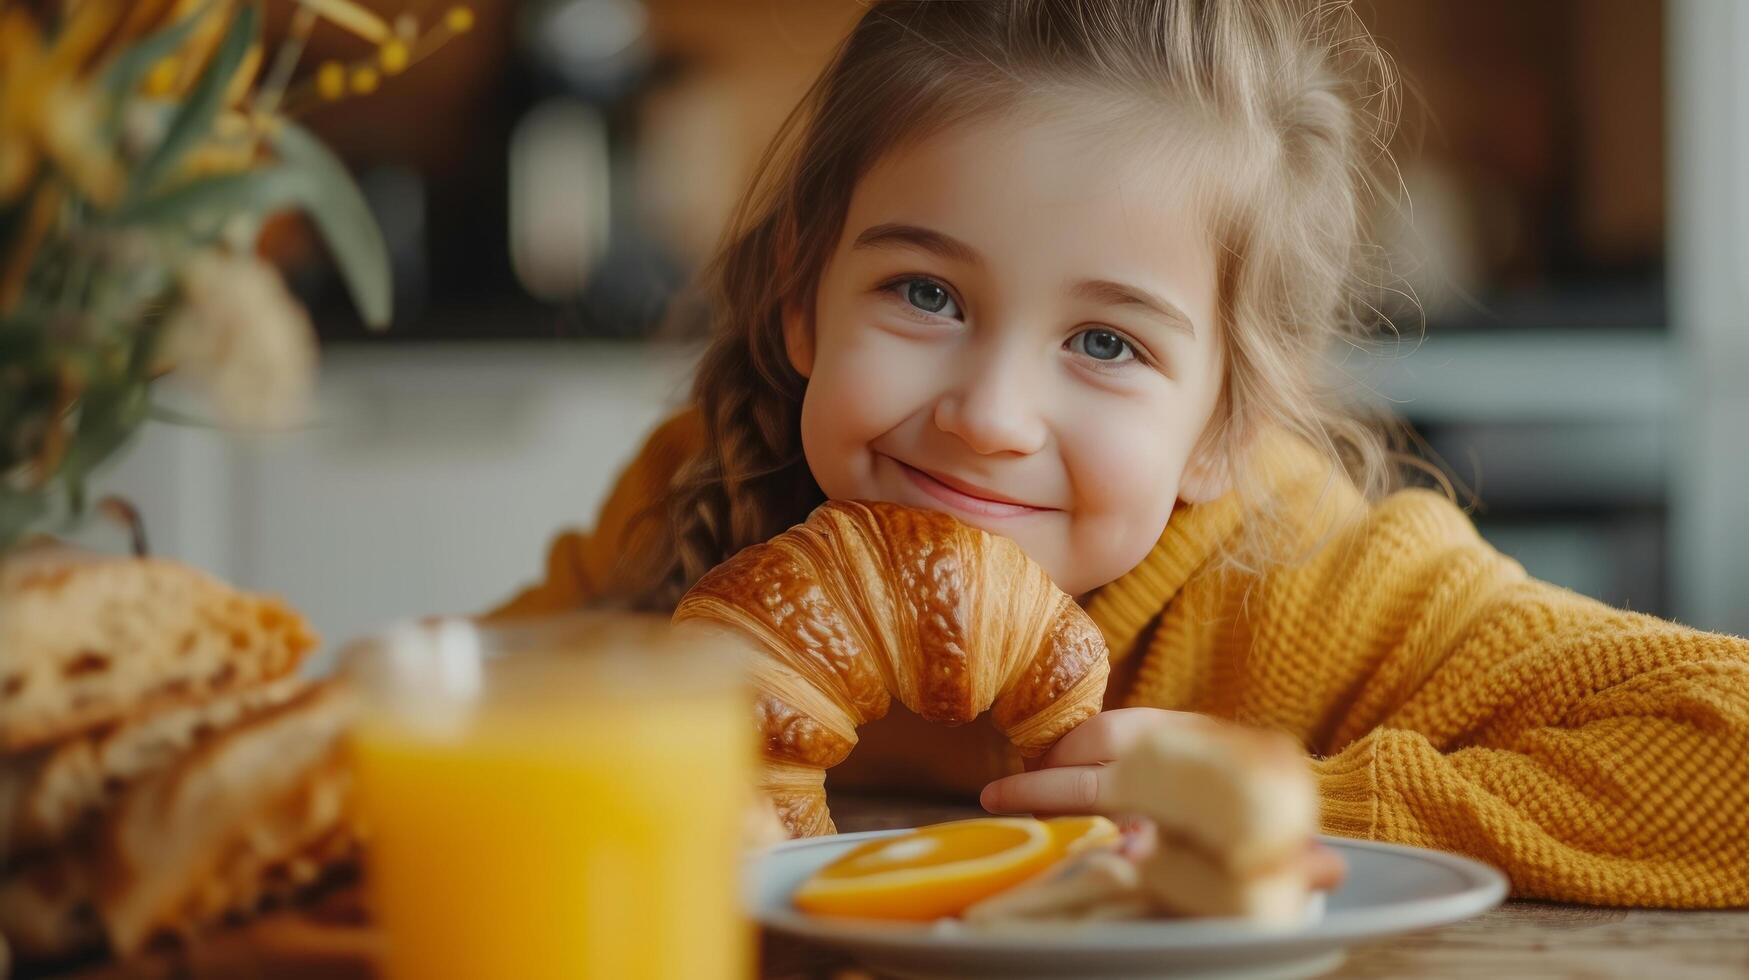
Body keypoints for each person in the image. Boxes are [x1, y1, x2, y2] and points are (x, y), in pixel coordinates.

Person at [492, 0, 1748, 907]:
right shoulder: (707, 486)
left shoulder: (1320, 585)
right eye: (926, 294)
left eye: (1103, 339)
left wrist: (1297, 806)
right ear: (799, 299)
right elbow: (459, 718)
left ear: (1225, 427)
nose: (990, 413)